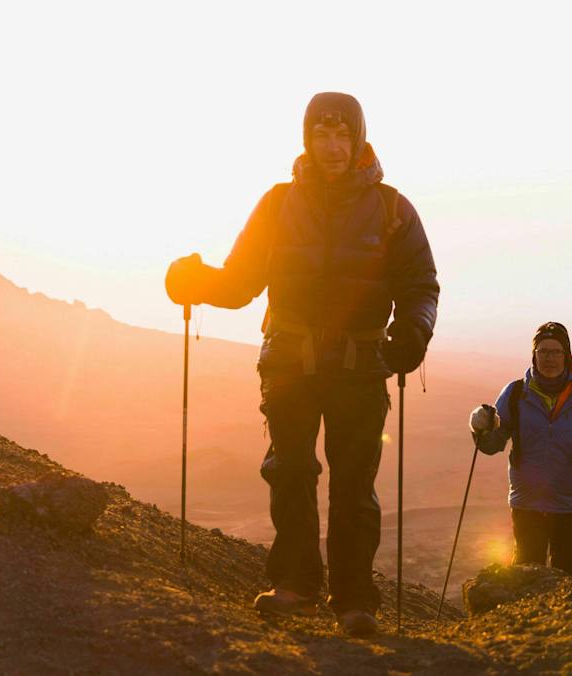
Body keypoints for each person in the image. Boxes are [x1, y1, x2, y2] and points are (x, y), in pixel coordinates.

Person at [164, 92, 439, 637]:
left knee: (353, 485)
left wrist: (414, 332)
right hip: (288, 362)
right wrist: (197, 281)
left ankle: (355, 599)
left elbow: (419, 286)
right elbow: (241, 282)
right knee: (289, 473)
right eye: (321, 136)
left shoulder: (393, 208)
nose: (332, 148)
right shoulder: (276, 203)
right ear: (306, 140)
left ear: (358, 138)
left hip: (361, 365)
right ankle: (295, 585)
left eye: (342, 136)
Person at [468, 322, 572, 575]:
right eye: (543, 351)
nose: (549, 358)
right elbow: (492, 445)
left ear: (567, 356)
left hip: (570, 504)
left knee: (567, 572)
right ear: (534, 356)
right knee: (525, 571)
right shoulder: (515, 394)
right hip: (527, 503)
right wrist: (479, 428)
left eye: (556, 352)